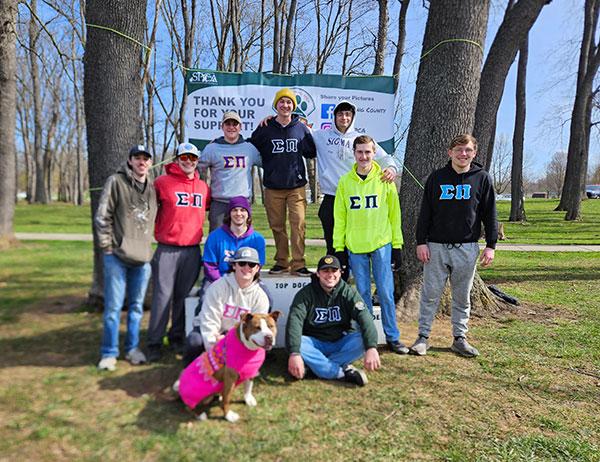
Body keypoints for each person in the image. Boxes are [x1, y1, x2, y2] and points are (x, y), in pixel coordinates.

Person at [410, 134, 497, 358]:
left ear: (474, 153)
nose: (463, 154)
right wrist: (421, 242)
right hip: (436, 246)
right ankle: (423, 337)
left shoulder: (482, 178)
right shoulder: (437, 178)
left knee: (462, 295)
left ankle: (459, 338)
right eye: (458, 149)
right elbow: (425, 213)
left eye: (468, 150)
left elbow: (490, 214)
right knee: (430, 294)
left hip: (467, 247)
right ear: (450, 152)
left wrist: (491, 245)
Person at [333, 135, 408, 354]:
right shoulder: (345, 182)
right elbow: (340, 217)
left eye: (368, 152)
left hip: (381, 242)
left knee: (385, 291)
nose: (364, 156)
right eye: (360, 152)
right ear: (354, 153)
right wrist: (339, 249)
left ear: (374, 153)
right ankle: (365, 336)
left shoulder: (385, 179)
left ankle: (393, 337)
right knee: (362, 293)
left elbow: (395, 215)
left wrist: (397, 245)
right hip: (355, 245)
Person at [311, 101, 397, 277]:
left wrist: (391, 168)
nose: (344, 118)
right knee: (334, 245)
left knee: (355, 243)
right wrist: (270, 119)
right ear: (334, 116)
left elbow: (385, 158)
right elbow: (297, 126)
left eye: (348, 115)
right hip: (331, 198)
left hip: (355, 200)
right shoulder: (320, 136)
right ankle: (336, 282)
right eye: (340, 114)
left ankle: (360, 281)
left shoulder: (360, 139)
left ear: (352, 118)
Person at [95, 145, 157, 371]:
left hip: (142, 259)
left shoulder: (152, 188)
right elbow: (103, 216)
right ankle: (109, 352)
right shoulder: (116, 182)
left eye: (145, 158)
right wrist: (107, 247)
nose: (141, 162)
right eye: (137, 158)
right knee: (113, 309)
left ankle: (132, 349)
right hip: (117, 257)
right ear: (130, 161)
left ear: (150, 163)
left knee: (137, 307)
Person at [147, 142, 210, 362]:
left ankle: (176, 337)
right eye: (184, 157)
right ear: (176, 159)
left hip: (192, 250)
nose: (188, 162)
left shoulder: (203, 186)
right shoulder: (162, 183)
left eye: (193, 159)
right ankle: (154, 341)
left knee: (183, 298)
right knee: (162, 297)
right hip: (167, 248)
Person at [249, 88, 316, 276]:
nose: (285, 105)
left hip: (296, 187)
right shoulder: (266, 127)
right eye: (282, 102)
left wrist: (309, 130)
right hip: (272, 187)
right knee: (277, 226)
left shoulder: (300, 128)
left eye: (289, 102)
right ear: (276, 105)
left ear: (293, 106)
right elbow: (250, 145)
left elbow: (311, 152)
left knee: (298, 224)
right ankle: (281, 262)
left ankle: (298, 263)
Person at [285, 255, 380, 386]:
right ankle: (340, 373)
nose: (330, 275)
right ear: (318, 274)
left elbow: (365, 318)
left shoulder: (348, 292)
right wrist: (294, 354)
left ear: (340, 273)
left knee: (363, 339)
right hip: (314, 343)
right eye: (325, 271)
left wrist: (372, 347)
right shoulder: (305, 295)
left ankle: (317, 367)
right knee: (299, 343)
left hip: (340, 341)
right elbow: (294, 322)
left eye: (334, 271)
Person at [182, 247, 270, 366]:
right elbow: (209, 320)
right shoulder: (217, 287)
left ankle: (239, 370)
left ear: (257, 268)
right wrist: (214, 343)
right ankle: (190, 371)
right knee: (194, 341)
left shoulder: (261, 297)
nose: (246, 268)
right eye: (242, 263)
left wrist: (232, 341)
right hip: (214, 331)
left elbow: (256, 329)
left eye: (252, 264)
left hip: (239, 336)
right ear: (234, 266)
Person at [199, 111, 262, 232]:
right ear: (222, 126)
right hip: (219, 204)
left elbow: (269, 164)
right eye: (228, 124)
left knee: (242, 243)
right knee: (218, 241)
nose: (231, 127)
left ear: (240, 127)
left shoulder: (249, 148)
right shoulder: (212, 148)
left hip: (242, 203)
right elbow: (195, 167)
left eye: (235, 124)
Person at [202, 196, 266, 284]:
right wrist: (223, 285)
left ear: (248, 214)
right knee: (206, 296)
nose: (238, 213)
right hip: (217, 281)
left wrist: (243, 283)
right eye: (235, 210)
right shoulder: (215, 236)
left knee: (267, 296)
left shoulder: (257, 239)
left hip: (247, 281)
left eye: (242, 210)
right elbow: (210, 266)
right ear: (229, 213)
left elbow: (257, 266)